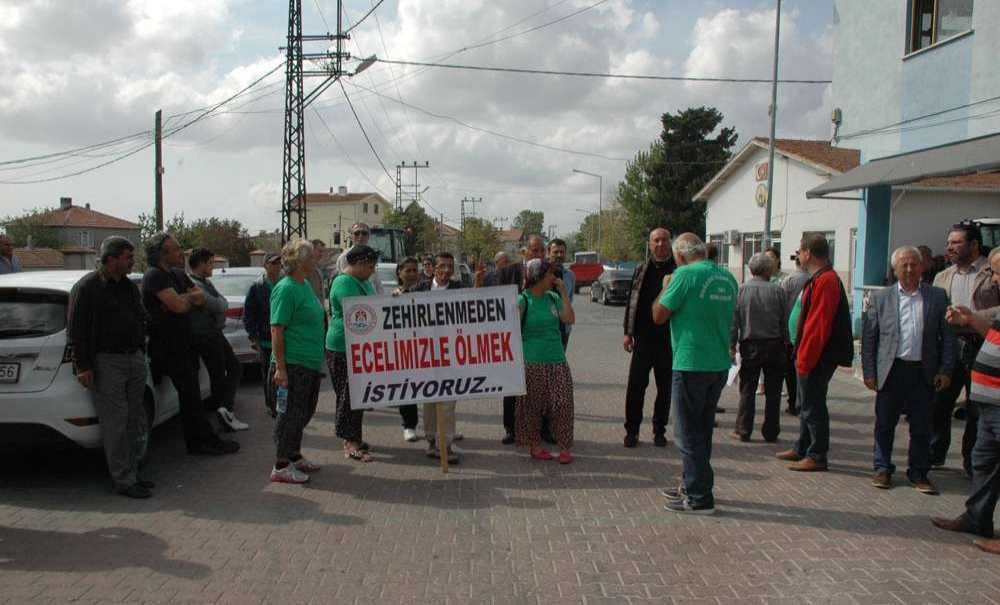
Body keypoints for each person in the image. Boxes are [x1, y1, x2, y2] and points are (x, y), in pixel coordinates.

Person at [652, 233, 738, 514]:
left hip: (691, 362)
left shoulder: (684, 275)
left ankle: (700, 497)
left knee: (687, 434)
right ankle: (693, 485)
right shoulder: (727, 277)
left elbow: (659, 315)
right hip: (718, 363)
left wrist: (665, 287)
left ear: (679, 255)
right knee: (702, 432)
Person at [862, 246, 955, 494]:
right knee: (884, 424)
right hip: (891, 371)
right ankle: (882, 468)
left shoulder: (937, 296)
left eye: (914, 264)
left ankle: (919, 472)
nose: (910, 269)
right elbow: (870, 338)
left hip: (923, 372)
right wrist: (869, 372)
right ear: (895, 270)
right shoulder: (881, 298)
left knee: (922, 426)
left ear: (922, 266)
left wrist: (946, 370)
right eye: (904, 265)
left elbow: (947, 338)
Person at [68, 237, 152, 498]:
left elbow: (141, 317)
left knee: (134, 418)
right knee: (115, 422)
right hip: (107, 362)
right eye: (128, 257)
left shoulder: (127, 287)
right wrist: (82, 365)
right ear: (112, 258)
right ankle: (123, 480)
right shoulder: (88, 287)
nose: (131, 262)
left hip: (133, 358)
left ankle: (134, 471)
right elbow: (77, 330)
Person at [142, 233, 238, 456]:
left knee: (192, 396)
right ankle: (201, 441)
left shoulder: (176, 274)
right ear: (162, 253)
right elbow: (180, 306)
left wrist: (184, 299)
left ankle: (199, 440)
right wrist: (184, 300)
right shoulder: (154, 276)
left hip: (186, 344)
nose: (180, 252)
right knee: (191, 396)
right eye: (176, 249)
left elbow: (199, 297)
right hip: (168, 348)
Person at [931, 247, 1000, 556]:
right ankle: (977, 518)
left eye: (998, 273)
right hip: (989, 403)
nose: (994, 280)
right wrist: (971, 319)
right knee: (983, 462)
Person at [775, 233, 853, 472]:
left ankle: (817, 455)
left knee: (813, 404)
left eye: (800, 250)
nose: (798, 255)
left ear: (808, 253)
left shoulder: (826, 280)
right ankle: (802, 447)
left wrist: (805, 359)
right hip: (807, 353)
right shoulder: (818, 277)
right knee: (806, 402)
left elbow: (818, 324)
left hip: (816, 356)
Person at [931, 223, 1000, 474]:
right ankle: (935, 453)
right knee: (940, 403)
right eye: (949, 243)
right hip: (950, 346)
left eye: (956, 242)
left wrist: (971, 318)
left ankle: (972, 462)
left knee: (975, 409)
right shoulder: (943, 276)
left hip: (982, 346)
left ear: (973, 245)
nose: (950, 247)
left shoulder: (991, 271)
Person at [269, 239, 326, 484]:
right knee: (291, 414)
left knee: (304, 411)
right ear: (300, 262)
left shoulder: (304, 285)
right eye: (312, 257)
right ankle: (281, 465)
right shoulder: (287, 288)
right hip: (293, 363)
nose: (316, 260)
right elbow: (277, 329)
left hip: (309, 362)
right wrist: (281, 367)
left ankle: (294, 454)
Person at [516, 258, 576, 464]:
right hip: (532, 362)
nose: (554, 277)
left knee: (563, 404)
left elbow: (568, 319)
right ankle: (535, 446)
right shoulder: (523, 299)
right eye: (550, 273)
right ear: (538, 276)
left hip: (557, 360)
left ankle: (565, 447)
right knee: (533, 407)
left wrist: (564, 293)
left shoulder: (553, 297)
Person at [492, 234, 549, 444]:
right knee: (512, 384)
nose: (540, 254)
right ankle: (511, 429)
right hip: (512, 337)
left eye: (542, 251)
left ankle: (543, 429)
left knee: (542, 385)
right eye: (535, 250)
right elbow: (496, 301)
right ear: (525, 252)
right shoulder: (508, 272)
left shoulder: (549, 273)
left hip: (540, 338)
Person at [622, 228, 676, 448]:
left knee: (665, 388)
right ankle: (632, 431)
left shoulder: (679, 271)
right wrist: (628, 332)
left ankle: (659, 430)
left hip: (669, 340)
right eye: (656, 241)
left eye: (664, 240)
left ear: (670, 243)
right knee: (636, 386)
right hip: (643, 338)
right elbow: (631, 302)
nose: (661, 244)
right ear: (650, 244)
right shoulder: (641, 269)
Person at [328, 244, 380, 463]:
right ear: (358, 263)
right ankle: (349, 442)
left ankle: (355, 437)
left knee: (358, 395)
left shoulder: (363, 281)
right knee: (348, 396)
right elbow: (359, 309)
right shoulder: (343, 282)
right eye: (370, 266)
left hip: (360, 346)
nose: (372, 271)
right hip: (342, 347)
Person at [730, 252, 788, 443]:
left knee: (747, 389)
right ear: (768, 270)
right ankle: (771, 431)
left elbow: (734, 322)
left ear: (751, 269)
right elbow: (784, 321)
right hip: (775, 344)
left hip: (751, 344)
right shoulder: (778, 291)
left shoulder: (741, 290)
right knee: (773, 391)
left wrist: (731, 345)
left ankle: (743, 429)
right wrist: (786, 343)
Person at [187, 248, 247, 432]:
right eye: (211, 263)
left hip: (215, 333)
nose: (212, 266)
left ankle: (225, 411)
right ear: (202, 264)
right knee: (219, 375)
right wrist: (217, 305)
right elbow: (215, 304)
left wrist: (218, 305)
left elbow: (222, 302)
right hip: (205, 335)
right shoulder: (191, 283)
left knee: (233, 368)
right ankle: (223, 415)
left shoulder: (205, 282)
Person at [414, 252, 465, 463]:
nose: (446, 270)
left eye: (450, 266)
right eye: (442, 266)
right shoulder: (420, 289)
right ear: (433, 268)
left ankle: (446, 445)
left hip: (450, 354)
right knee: (429, 402)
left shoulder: (459, 290)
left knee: (447, 402)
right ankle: (432, 442)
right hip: (425, 354)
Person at [244, 252, 281, 417]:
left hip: (283, 337)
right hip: (266, 339)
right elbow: (249, 314)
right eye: (273, 263)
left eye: (279, 263)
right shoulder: (256, 287)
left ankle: (281, 403)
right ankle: (271, 404)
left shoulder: (284, 283)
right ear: (266, 265)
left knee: (282, 372)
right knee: (268, 373)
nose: (277, 266)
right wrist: (252, 336)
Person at [392, 256, 422, 442]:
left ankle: (442, 427)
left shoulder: (427, 291)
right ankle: (409, 425)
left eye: (414, 270)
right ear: (399, 273)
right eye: (408, 270)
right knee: (408, 386)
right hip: (406, 347)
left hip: (427, 345)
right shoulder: (394, 296)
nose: (412, 274)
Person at [780, 254, 811, 416]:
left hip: (790, 331)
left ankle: (794, 403)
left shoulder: (789, 280)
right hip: (807, 331)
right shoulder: (812, 279)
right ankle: (802, 401)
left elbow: (781, 303)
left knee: (791, 371)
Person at [336, 223, 384, 295]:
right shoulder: (344, 257)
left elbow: (377, 281)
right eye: (357, 233)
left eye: (364, 233)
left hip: (372, 298)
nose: (360, 236)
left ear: (368, 236)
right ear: (351, 236)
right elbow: (345, 282)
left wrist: (382, 300)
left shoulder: (372, 254)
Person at [547, 238, 575, 349]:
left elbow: (569, 300)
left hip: (564, 329)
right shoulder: (541, 274)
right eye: (555, 252)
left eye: (562, 252)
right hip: (545, 328)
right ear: (548, 252)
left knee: (561, 363)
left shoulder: (570, 276)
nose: (559, 255)